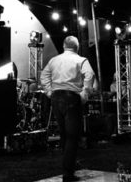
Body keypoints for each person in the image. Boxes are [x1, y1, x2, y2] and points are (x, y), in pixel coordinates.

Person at [41, 36, 96, 182]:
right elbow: (90, 75)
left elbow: (44, 76)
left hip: (56, 97)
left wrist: (49, 92)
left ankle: (69, 166)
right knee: (72, 136)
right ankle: (68, 173)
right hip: (71, 97)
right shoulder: (81, 60)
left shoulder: (54, 60)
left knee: (64, 134)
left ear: (64, 46)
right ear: (77, 47)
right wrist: (85, 93)